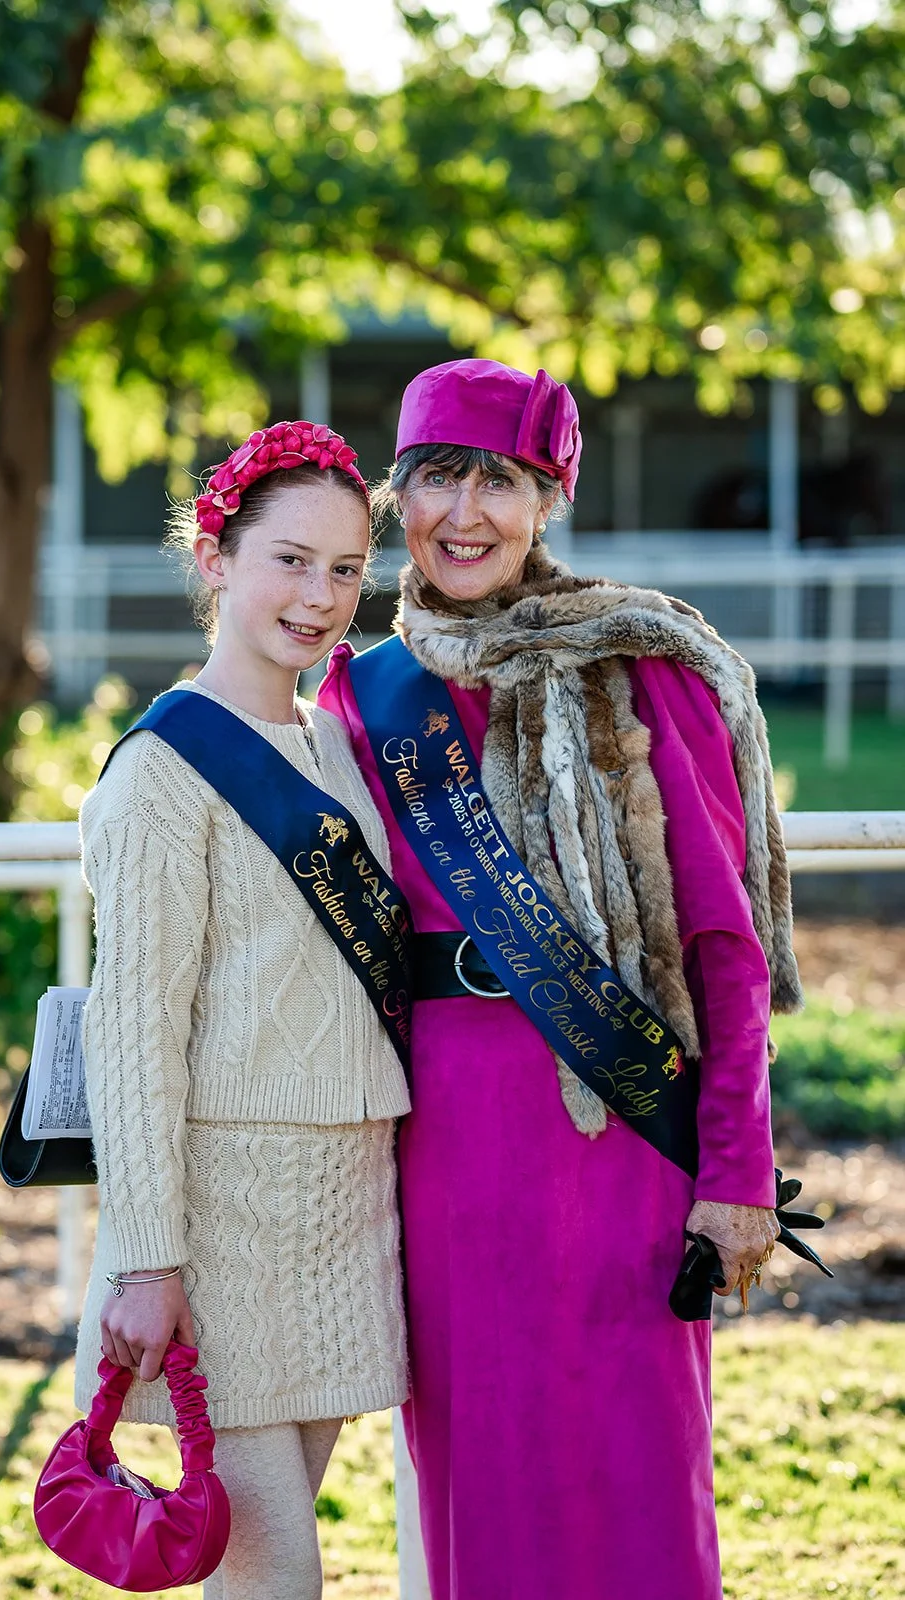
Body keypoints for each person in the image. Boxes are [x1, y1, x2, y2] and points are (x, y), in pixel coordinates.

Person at [319, 358, 803, 1600]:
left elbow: (722, 944)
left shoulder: (642, 669)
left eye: (499, 481)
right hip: (441, 1141)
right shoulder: (362, 694)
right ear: (397, 497)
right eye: (436, 478)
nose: (463, 512)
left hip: (618, 1130)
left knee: (637, 1474)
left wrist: (736, 1172)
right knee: (476, 1475)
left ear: (547, 502)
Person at [73, 420, 411, 1600]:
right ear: (213, 556)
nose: (319, 596)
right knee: (275, 1568)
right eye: (287, 558)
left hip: (341, 1201)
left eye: (344, 568)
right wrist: (146, 1258)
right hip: (224, 1212)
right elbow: (133, 1034)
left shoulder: (330, 742)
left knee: (265, 1554)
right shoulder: (161, 771)